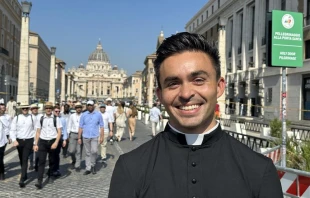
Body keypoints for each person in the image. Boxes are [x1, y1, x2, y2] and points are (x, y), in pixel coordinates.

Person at [109, 32, 283, 198]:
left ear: (219, 87)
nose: (186, 93)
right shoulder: (130, 168)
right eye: (173, 83)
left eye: (198, 80)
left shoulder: (260, 170)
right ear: (160, 94)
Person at [33, 102, 62, 189]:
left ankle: (50, 175)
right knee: (41, 161)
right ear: (45, 109)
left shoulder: (56, 119)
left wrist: (56, 142)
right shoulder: (41, 118)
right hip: (43, 141)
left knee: (52, 160)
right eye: (47, 108)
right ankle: (39, 180)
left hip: (52, 141)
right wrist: (36, 144)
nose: (48, 109)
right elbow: (38, 132)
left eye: (50, 108)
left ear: (52, 109)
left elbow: (59, 132)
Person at [9, 103, 35, 187]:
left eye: (26, 108)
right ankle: (25, 173)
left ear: (28, 109)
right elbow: (12, 130)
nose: (25, 110)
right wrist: (14, 140)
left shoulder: (32, 118)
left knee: (24, 158)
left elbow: (36, 130)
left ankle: (22, 179)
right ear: (21, 109)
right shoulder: (16, 118)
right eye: (23, 108)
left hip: (29, 140)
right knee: (21, 158)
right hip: (19, 141)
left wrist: (34, 143)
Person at [78, 100, 104, 175]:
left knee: (94, 151)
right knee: (87, 153)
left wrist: (102, 137)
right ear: (86, 106)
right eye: (88, 105)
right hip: (85, 136)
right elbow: (80, 126)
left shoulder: (98, 114)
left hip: (94, 136)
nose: (89, 106)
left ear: (94, 106)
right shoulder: (83, 115)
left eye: (91, 105)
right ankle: (88, 168)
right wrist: (79, 137)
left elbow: (102, 126)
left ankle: (93, 165)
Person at [67, 102, 83, 172]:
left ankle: (77, 165)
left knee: (79, 151)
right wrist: (68, 134)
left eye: (80, 108)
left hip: (81, 134)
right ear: (75, 108)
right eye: (77, 108)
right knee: (71, 150)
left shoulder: (83, 116)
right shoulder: (72, 116)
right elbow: (69, 125)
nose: (78, 109)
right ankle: (74, 160)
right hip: (73, 134)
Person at [53, 106, 67, 177]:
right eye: (56, 111)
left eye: (59, 111)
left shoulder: (63, 119)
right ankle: (52, 168)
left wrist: (64, 139)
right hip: (51, 138)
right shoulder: (50, 118)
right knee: (51, 155)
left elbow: (64, 130)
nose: (57, 113)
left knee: (56, 154)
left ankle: (56, 169)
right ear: (53, 111)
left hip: (60, 137)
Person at [29, 104, 42, 171]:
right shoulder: (29, 117)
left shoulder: (41, 116)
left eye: (36, 108)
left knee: (37, 151)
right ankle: (31, 164)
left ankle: (37, 164)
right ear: (31, 110)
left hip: (39, 135)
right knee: (31, 151)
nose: (35, 109)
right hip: (31, 135)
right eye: (33, 108)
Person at [0, 105, 9, 180]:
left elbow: (7, 127)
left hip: (1, 141)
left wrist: (8, 137)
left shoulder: (3, 118)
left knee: (0, 159)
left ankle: (2, 173)